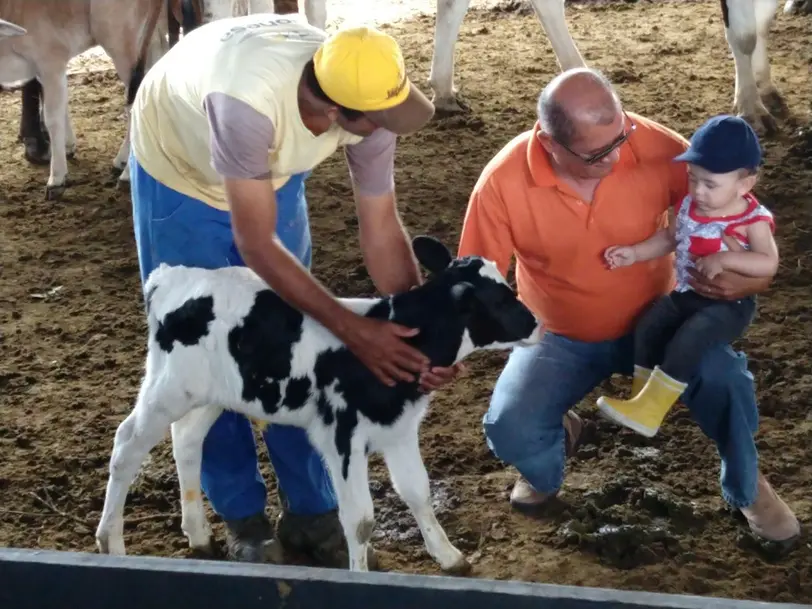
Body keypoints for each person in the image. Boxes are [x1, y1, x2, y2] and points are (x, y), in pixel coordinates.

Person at [128, 13, 460, 567]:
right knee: (211, 351)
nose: (386, 126)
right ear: (334, 111)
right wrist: (354, 330)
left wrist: (418, 334)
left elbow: (380, 225)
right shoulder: (247, 102)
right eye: (377, 119)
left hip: (268, 172)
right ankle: (243, 518)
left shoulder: (361, 98)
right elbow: (256, 245)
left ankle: (313, 512)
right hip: (181, 172)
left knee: (295, 339)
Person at [456, 67, 800, 550]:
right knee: (509, 424)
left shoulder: (658, 147)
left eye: (622, 136)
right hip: (560, 333)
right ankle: (551, 454)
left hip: (666, 318)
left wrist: (756, 275)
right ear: (550, 143)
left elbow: (734, 208)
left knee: (727, 381)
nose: (618, 156)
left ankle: (748, 486)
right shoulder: (501, 183)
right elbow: (475, 279)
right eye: (599, 153)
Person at [596, 115, 778, 438]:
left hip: (729, 305)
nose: (699, 191)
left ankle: (651, 409)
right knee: (650, 324)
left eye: (710, 184)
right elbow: (669, 238)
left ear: (745, 184)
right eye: (693, 179)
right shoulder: (688, 205)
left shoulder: (752, 219)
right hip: (688, 292)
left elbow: (768, 263)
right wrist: (635, 253)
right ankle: (643, 397)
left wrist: (724, 258)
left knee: (690, 336)